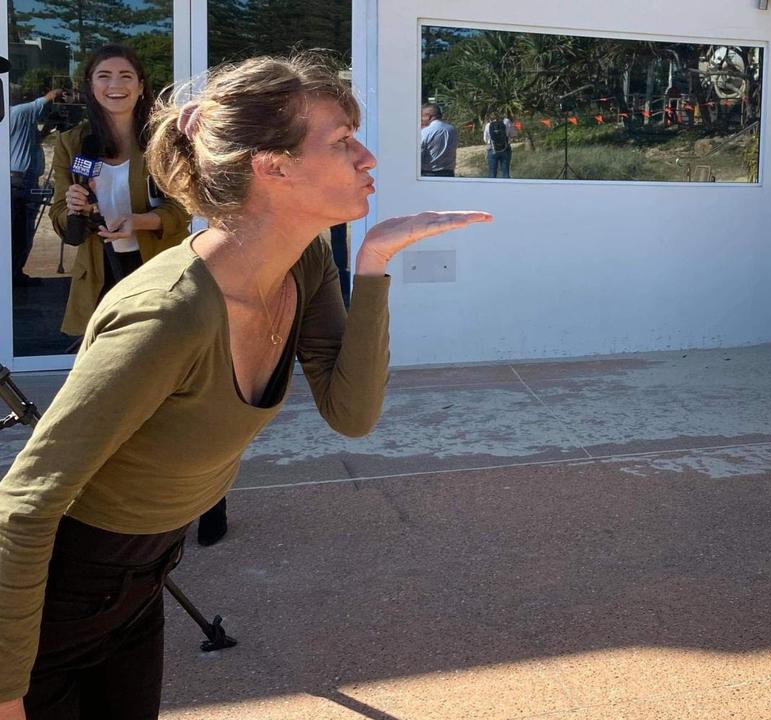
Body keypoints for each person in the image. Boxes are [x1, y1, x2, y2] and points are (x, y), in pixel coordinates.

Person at [0, 53, 491, 719]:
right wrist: (6, 693)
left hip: (143, 580)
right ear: (273, 164)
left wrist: (373, 264)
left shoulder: (306, 260)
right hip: (61, 595)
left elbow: (351, 413)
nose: (369, 157)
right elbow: (23, 505)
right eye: (343, 141)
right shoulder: (166, 315)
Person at [50, 44, 191, 337]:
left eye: (126, 76)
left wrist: (138, 222)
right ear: (91, 86)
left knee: (161, 361)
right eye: (104, 76)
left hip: (158, 269)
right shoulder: (72, 144)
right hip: (100, 276)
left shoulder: (165, 140)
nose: (115, 85)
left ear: (140, 87)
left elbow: (182, 209)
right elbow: (61, 219)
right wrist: (76, 209)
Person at [8, 83, 64, 286]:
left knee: (19, 230)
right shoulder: (21, 111)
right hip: (20, 181)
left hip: (21, 180)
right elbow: (51, 96)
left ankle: (15, 272)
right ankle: (13, 274)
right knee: (22, 231)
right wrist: (62, 91)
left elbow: (31, 141)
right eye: (22, 93)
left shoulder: (14, 117)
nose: (26, 96)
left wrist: (47, 129)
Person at [419, 102, 458, 177]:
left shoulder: (425, 132)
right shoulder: (452, 129)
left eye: (422, 117)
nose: (421, 120)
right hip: (449, 173)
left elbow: (418, 155)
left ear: (428, 117)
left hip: (429, 174)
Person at [483, 113, 516, 178]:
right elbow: (513, 134)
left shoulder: (488, 125)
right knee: (505, 172)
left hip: (492, 149)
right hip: (505, 148)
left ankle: (492, 187)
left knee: (492, 173)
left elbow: (485, 139)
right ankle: (506, 187)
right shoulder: (506, 122)